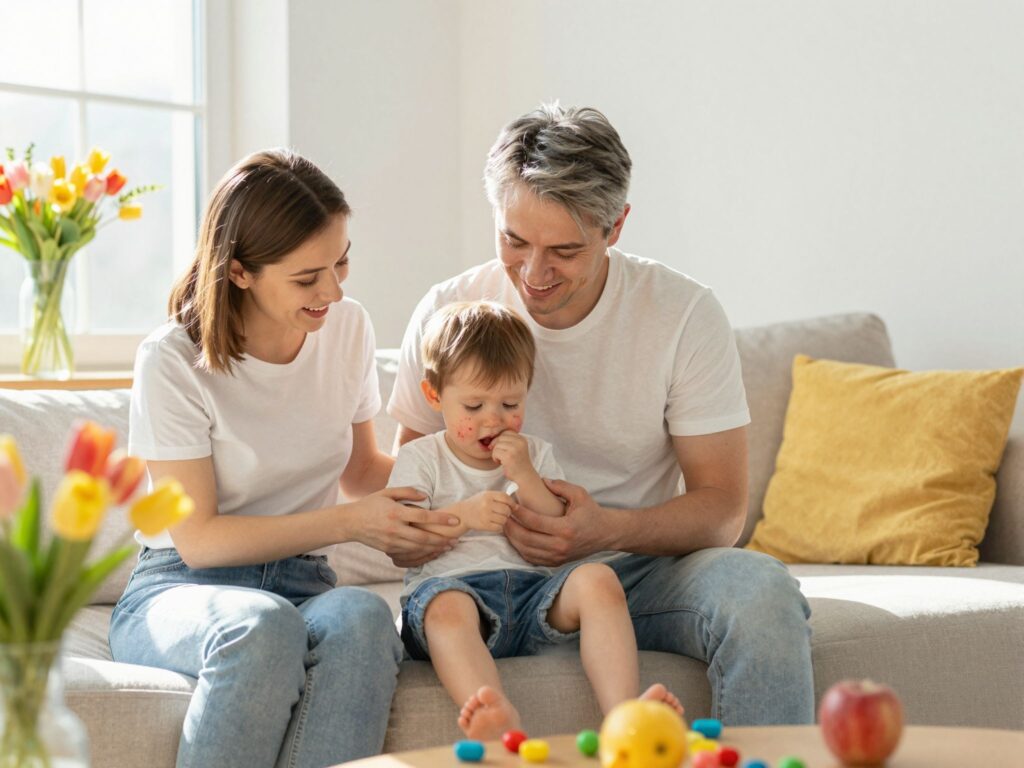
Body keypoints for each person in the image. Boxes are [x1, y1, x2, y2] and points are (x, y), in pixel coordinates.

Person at [387, 104, 815, 725]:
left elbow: (723, 508)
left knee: (762, 592)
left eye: (564, 249)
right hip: (474, 575)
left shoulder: (683, 314)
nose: (533, 273)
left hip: (631, 573)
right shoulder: (448, 311)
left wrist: (605, 531)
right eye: (513, 240)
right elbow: (406, 501)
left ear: (615, 227)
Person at [109, 149, 460, 768]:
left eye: (341, 261)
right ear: (240, 271)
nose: (333, 289)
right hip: (180, 589)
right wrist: (353, 524)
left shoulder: (346, 328)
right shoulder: (172, 359)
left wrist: (462, 491)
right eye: (307, 278)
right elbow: (201, 541)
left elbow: (360, 472)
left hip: (306, 581)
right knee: (263, 627)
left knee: (362, 616)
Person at [388, 300, 683, 739]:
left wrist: (525, 475)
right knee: (446, 609)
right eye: (473, 406)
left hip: (533, 598)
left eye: (510, 402)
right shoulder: (421, 458)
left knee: (598, 579)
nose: (493, 419)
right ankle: (494, 711)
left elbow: (559, 525)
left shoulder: (534, 453)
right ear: (435, 396)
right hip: (455, 593)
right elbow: (401, 542)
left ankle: (625, 715)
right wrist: (464, 517)